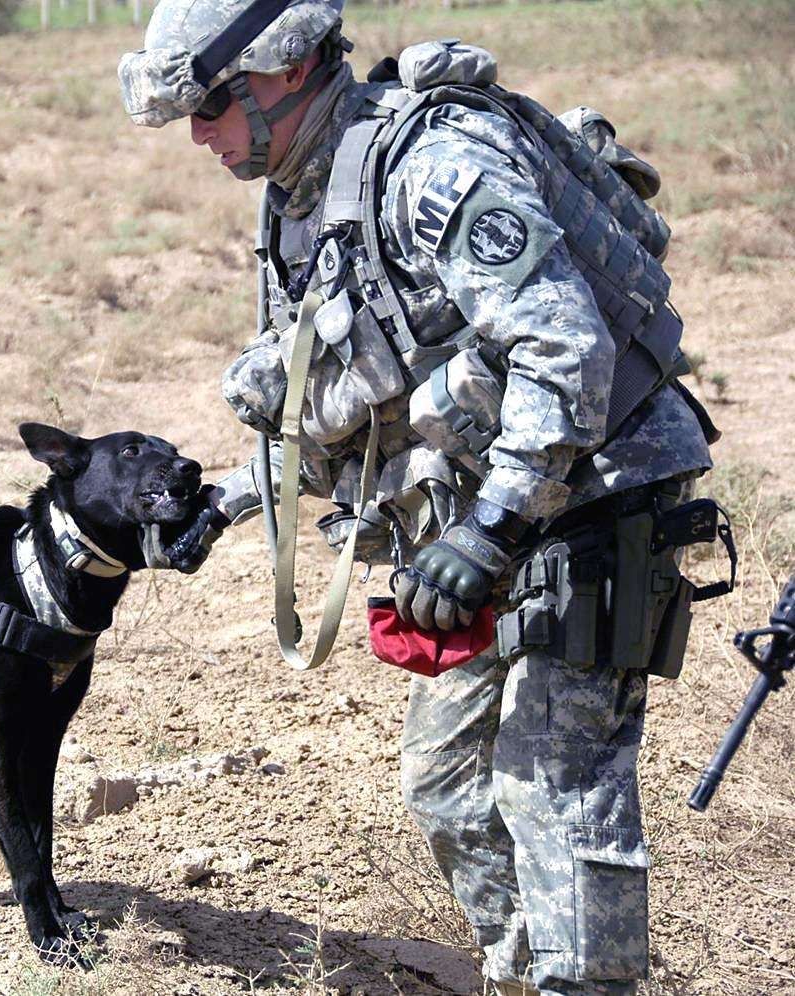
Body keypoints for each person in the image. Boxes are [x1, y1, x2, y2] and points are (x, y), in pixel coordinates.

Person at [119, 2, 723, 994]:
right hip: (486, 509)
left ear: (294, 66)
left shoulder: (439, 167)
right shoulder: (303, 194)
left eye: (216, 102)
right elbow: (356, 387)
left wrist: (491, 527)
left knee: (552, 781)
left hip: (595, 485)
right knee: (445, 786)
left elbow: (564, 349)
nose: (200, 132)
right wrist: (235, 499)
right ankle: (529, 975)